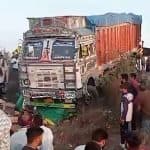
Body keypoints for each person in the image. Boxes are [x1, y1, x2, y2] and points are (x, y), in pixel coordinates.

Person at [120, 83, 134, 149]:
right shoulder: (131, 95)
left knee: (123, 131)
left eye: (122, 88)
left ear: (125, 89)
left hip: (125, 117)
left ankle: (123, 144)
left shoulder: (124, 97)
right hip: (129, 116)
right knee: (129, 131)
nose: (120, 90)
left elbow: (125, 109)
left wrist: (122, 118)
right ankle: (129, 144)